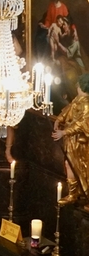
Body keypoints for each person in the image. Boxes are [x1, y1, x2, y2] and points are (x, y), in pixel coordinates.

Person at [53, 73, 89, 207]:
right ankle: (73, 193)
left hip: (79, 143)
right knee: (69, 164)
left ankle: (81, 193)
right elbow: (68, 110)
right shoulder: (78, 99)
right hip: (71, 140)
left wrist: (64, 132)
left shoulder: (86, 105)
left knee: (79, 167)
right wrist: (59, 119)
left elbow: (82, 124)